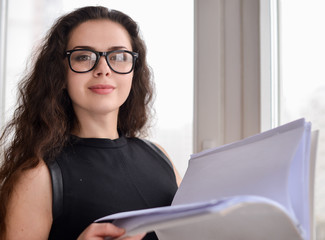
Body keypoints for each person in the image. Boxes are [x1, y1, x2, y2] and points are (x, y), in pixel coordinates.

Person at [0, 6, 182, 240]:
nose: (103, 69)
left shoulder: (161, 158)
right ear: (60, 74)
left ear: (134, 71)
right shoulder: (38, 176)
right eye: (84, 56)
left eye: (118, 56)